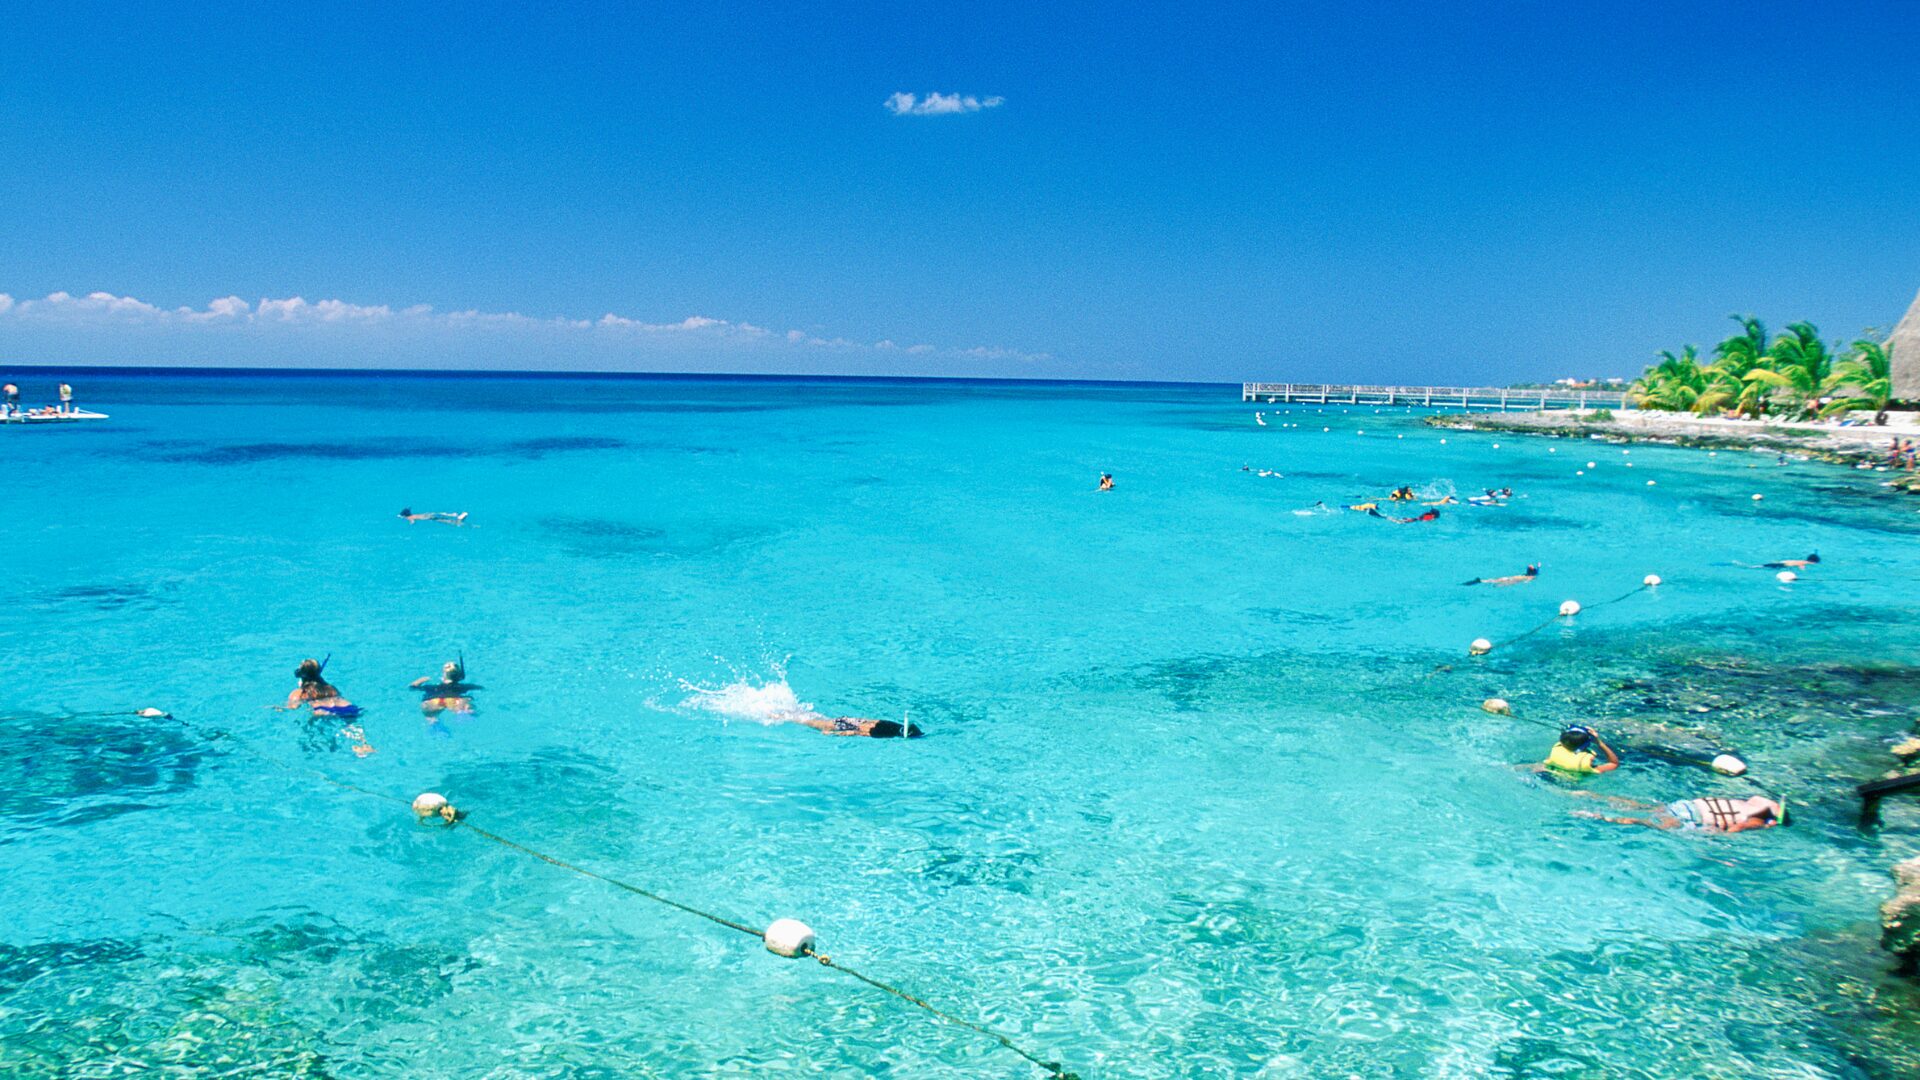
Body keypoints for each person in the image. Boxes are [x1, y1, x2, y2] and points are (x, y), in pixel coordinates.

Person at [1575, 793, 1785, 833]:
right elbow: (1737, 827)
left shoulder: (1751, 802)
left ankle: (1590, 796)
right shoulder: (1759, 818)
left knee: (1641, 807)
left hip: (1688, 805)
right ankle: (1600, 817)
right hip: (1694, 819)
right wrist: (1766, 826)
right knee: (1649, 823)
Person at [1543, 725, 1619, 775]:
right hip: (1574, 789)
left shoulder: (1556, 751)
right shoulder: (1586, 766)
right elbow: (1614, 764)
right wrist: (1600, 743)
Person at [788, 714, 924, 739]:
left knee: (813, 719)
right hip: (844, 727)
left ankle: (788, 712)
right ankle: (779, 716)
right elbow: (857, 733)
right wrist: (833, 734)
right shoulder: (885, 734)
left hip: (851, 720)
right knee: (808, 723)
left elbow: (868, 721)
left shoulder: (893, 724)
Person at [1464, 564, 1538, 587]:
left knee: (1497, 581)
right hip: (1513, 579)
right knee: (1498, 582)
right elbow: (1527, 581)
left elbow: (1528, 581)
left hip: (1513, 579)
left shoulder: (1528, 576)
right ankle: (1481, 581)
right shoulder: (1529, 576)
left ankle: (1482, 581)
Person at [398, 508, 469, 525]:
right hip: (427, 514)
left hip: (427, 518)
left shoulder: (409, 517)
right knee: (441, 515)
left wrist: (411, 524)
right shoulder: (412, 515)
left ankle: (458, 520)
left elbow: (412, 522)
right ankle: (452, 515)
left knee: (444, 520)